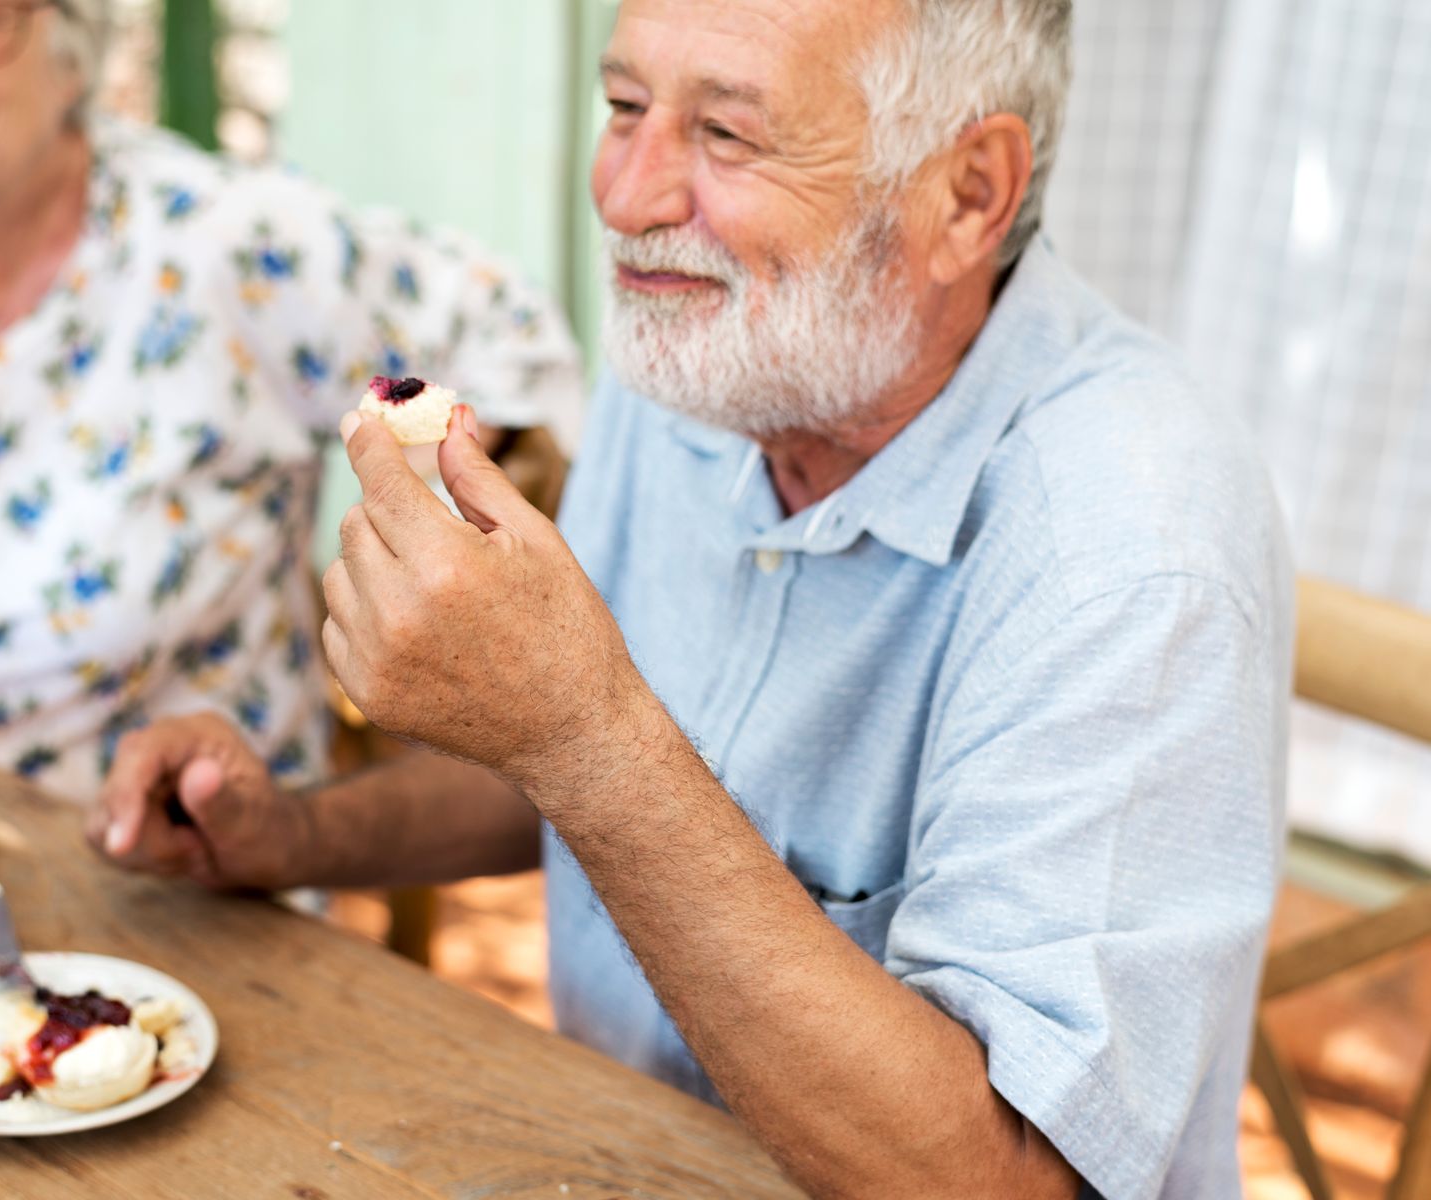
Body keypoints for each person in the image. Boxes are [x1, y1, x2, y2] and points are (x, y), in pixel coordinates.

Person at [90, 1, 1293, 1195]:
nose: (627, 195)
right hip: (601, 1155)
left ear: (968, 193)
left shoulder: (1132, 546)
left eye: (727, 135)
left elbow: (1004, 1183)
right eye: (623, 108)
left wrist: (582, 732)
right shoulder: (709, 352)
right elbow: (563, 774)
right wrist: (294, 837)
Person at [0, 0, 579, 801]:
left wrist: (435, 490)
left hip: (154, 878)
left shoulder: (220, 246)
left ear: (71, 39)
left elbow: (504, 337)